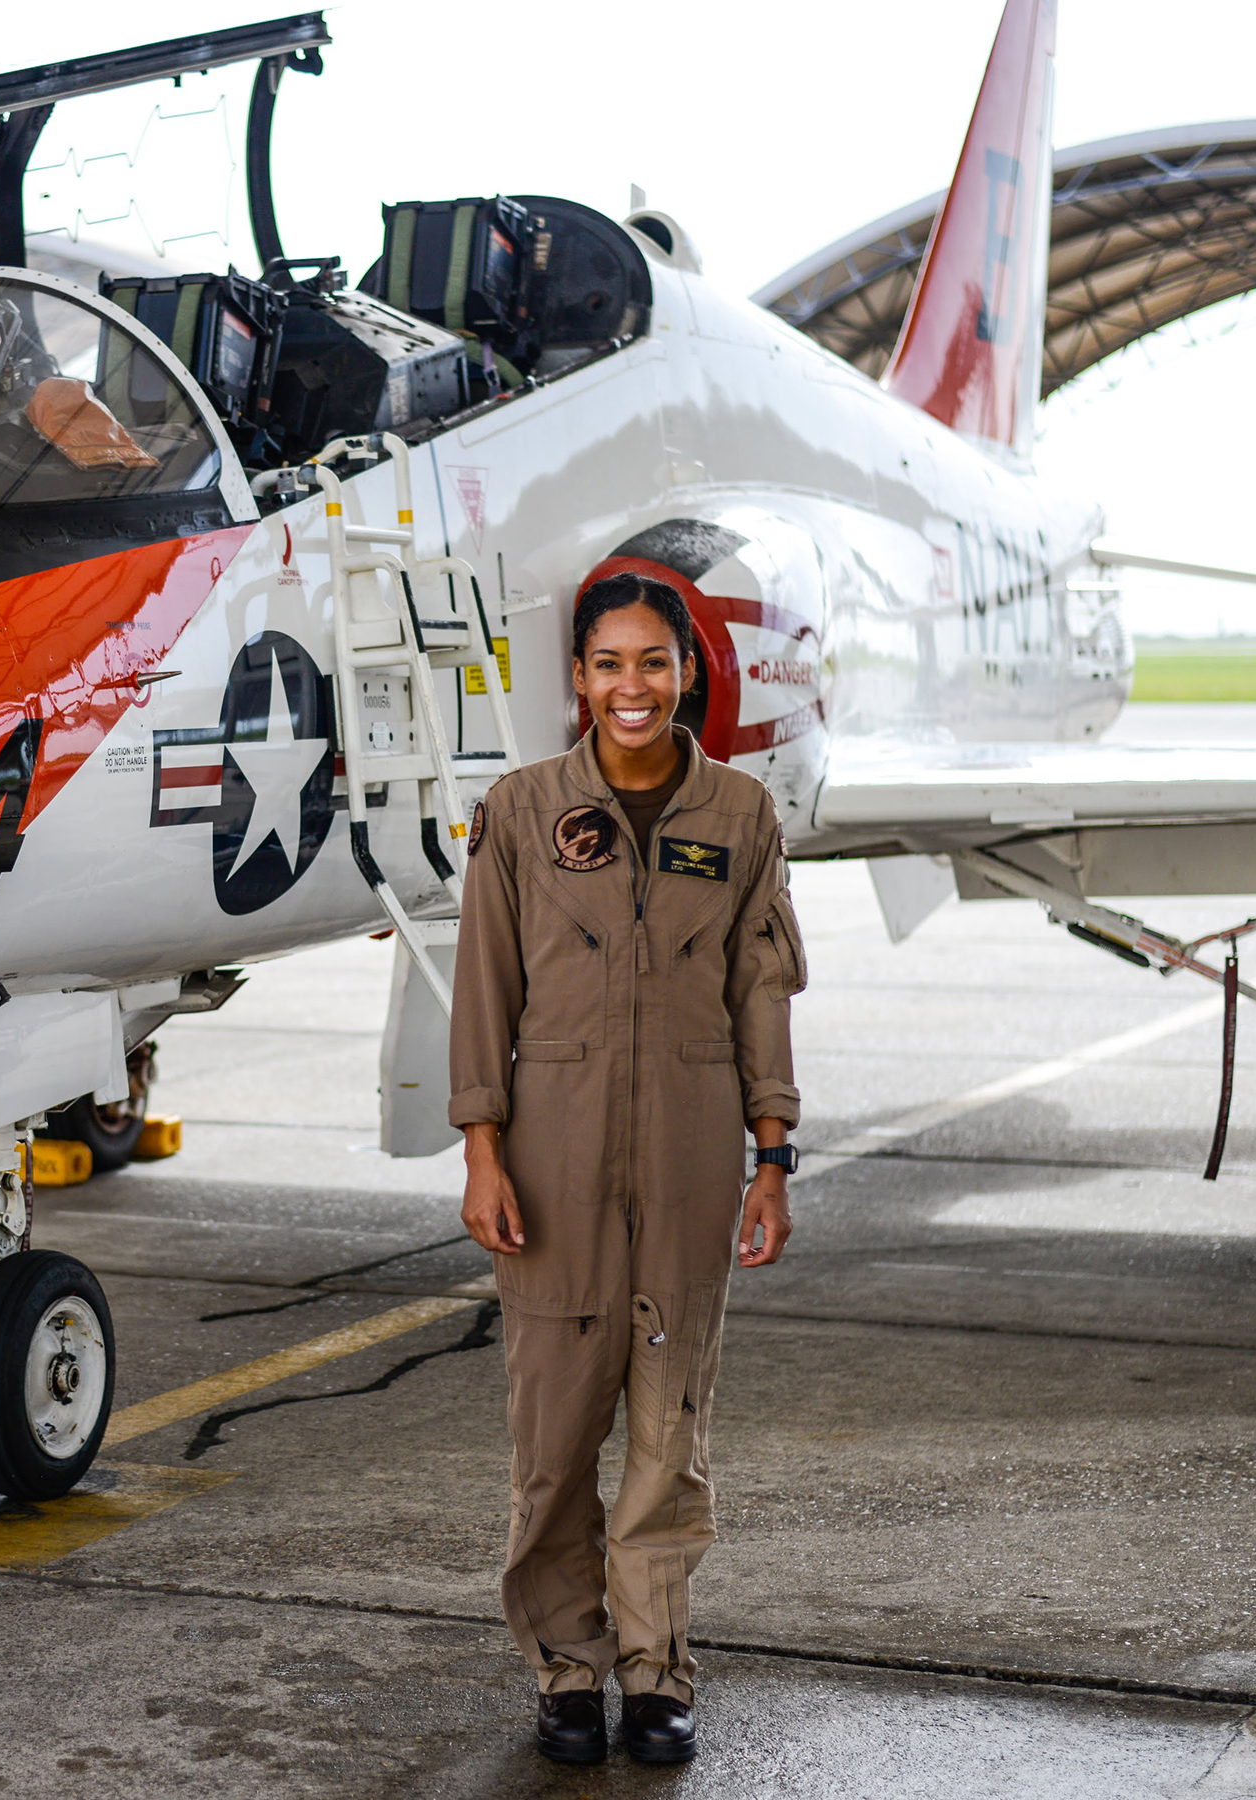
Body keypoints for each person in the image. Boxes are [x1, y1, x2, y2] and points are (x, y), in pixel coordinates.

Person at [447, 571, 809, 1766]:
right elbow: (483, 997)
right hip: (549, 1157)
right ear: (578, 678)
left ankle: (654, 1670)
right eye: (608, 664)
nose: (631, 688)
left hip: (694, 1156)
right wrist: (480, 1151)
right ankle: (563, 1666)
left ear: (686, 672)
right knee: (553, 1436)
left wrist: (772, 1155)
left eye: (652, 662)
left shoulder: (740, 817)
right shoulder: (519, 811)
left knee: (669, 1431)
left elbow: (760, 995)